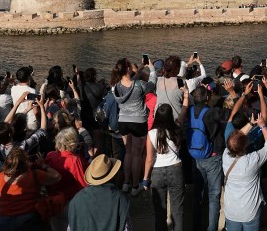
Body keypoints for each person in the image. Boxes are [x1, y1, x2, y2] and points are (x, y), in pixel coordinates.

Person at [222, 114, 267, 231]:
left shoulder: (225, 155)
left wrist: (250, 124)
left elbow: (235, 140)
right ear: (244, 144)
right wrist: (262, 126)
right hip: (250, 210)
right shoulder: (252, 160)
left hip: (231, 210)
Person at [143, 104, 188, 231]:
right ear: (170, 116)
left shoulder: (151, 133)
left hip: (157, 172)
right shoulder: (177, 127)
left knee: (159, 213)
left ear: (157, 116)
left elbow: (149, 159)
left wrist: (145, 178)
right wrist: (185, 97)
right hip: (176, 169)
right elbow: (183, 113)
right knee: (177, 211)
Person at [0, 147, 61, 231]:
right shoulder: (34, 175)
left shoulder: (1, 176)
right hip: (28, 220)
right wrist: (43, 165)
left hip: (5, 220)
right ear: (25, 162)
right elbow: (57, 177)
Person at [188, 86, 226, 231]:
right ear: (207, 98)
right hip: (212, 157)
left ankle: (196, 226)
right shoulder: (211, 113)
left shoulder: (189, 111)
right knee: (214, 196)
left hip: (195, 156)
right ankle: (211, 228)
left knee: (198, 194)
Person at [111, 58, 148, 195]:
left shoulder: (115, 87)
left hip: (123, 122)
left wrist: (139, 70)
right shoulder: (139, 85)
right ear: (128, 69)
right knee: (137, 154)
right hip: (138, 121)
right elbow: (152, 83)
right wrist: (150, 69)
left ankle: (126, 183)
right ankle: (135, 185)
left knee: (128, 153)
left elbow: (129, 83)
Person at [67, 154, 131, 231]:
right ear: (112, 175)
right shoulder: (120, 199)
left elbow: (70, 228)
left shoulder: (75, 200)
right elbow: (126, 228)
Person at [44, 128, 88, 231]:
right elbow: (83, 185)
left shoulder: (50, 156)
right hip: (71, 204)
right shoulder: (74, 160)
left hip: (53, 202)